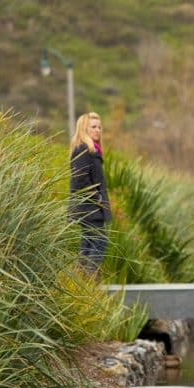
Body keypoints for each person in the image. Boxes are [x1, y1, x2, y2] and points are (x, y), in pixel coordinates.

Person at [69, 111, 112, 272]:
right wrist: (97, 198)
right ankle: (89, 281)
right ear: (84, 129)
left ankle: (82, 283)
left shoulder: (93, 151)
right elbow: (79, 179)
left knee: (88, 244)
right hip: (89, 208)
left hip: (91, 208)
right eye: (93, 127)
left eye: (100, 127)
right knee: (99, 242)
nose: (98, 130)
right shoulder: (83, 150)